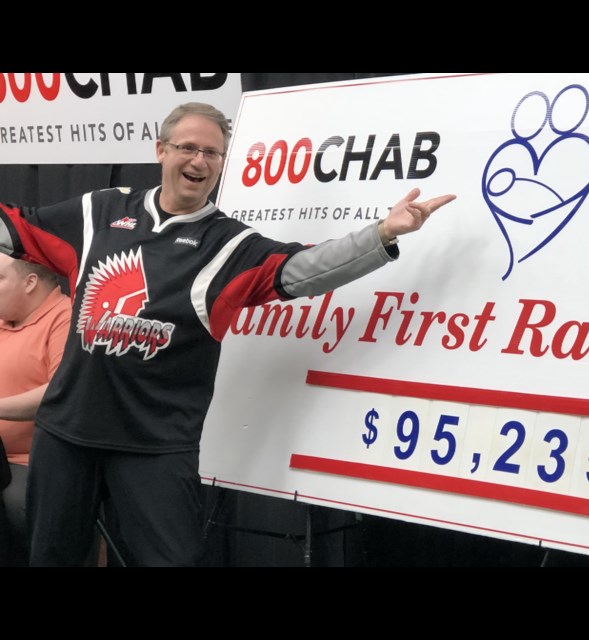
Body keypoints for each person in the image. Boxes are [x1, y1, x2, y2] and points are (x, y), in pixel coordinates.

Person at [0, 102, 456, 566]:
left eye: (213, 153)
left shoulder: (232, 246)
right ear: (160, 150)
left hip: (155, 444)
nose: (200, 161)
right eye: (188, 148)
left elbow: (305, 268)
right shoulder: (100, 210)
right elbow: (15, 226)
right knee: (52, 557)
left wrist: (381, 234)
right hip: (67, 433)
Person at [0, 256, 71, 566]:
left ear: (29, 283)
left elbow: (58, 393)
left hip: (31, 462)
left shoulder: (66, 318)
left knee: (19, 511)